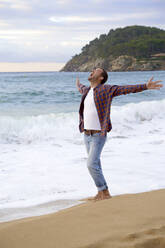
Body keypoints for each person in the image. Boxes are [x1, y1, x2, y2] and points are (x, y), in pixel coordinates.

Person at [76, 68, 163, 201]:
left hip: (98, 135)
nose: (92, 71)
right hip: (87, 135)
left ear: (101, 78)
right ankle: (103, 194)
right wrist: (78, 84)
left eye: (96, 71)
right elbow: (81, 88)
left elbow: (125, 89)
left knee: (91, 164)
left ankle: (103, 191)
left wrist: (145, 86)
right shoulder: (87, 91)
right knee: (95, 164)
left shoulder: (106, 89)